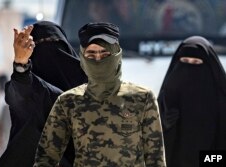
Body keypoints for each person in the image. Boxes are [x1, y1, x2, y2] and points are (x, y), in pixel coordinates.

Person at [34, 22, 166, 167]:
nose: (98, 60)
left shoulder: (142, 99)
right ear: (83, 57)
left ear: (116, 55)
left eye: (105, 54)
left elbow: (156, 159)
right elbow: (46, 158)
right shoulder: (68, 101)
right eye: (91, 54)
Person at [0, 21, 87, 167]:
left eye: (54, 43)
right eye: (40, 46)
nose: (49, 52)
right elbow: (21, 90)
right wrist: (21, 63)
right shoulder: (31, 93)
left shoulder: (87, 89)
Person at [157, 36, 226, 167]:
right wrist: (162, 127)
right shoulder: (166, 99)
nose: (188, 69)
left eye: (196, 63)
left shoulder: (222, 102)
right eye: (184, 61)